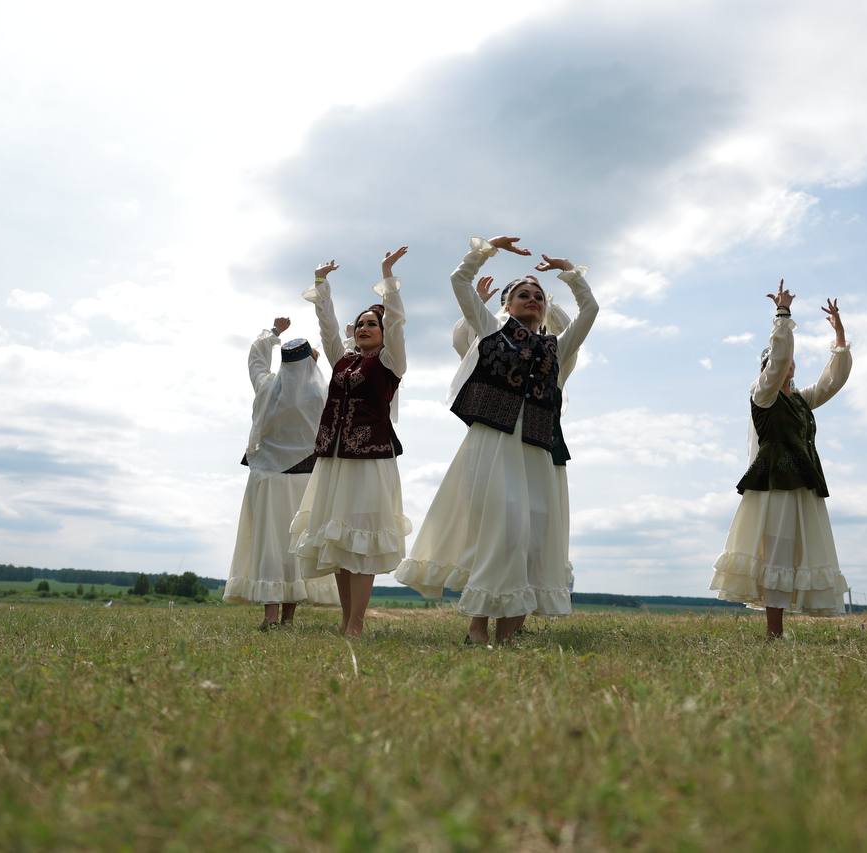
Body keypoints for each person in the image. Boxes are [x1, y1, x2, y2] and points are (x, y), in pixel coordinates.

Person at [395, 235, 598, 645]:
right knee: (503, 532)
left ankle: (506, 635)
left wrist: (570, 274)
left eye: (538, 296)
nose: (532, 300)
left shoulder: (558, 347)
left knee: (528, 539)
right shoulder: (491, 329)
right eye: (523, 295)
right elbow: (458, 281)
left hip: (537, 451)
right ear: (507, 305)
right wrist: (486, 249)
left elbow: (590, 310)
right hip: (492, 447)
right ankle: (477, 628)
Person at [710, 279, 852, 638]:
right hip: (774, 485)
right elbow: (778, 360)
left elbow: (830, 384)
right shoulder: (763, 396)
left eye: (789, 363)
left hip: (801, 485)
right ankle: (774, 634)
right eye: (774, 363)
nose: (783, 366)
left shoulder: (801, 399)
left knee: (793, 556)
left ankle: (781, 630)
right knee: (777, 555)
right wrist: (782, 316)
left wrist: (838, 339)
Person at [289, 249, 412, 637]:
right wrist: (322, 286)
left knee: (360, 548)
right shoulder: (343, 361)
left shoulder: (390, 361)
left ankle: (356, 624)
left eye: (371, 324)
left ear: (383, 329)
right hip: (334, 461)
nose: (364, 328)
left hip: (370, 461)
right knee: (340, 546)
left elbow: (396, 325)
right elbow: (327, 329)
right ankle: (346, 622)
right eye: (359, 324)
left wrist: (387, 277)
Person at [223, 319, 339, 630]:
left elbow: (256, 359)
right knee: (294, 548)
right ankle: (286, 618)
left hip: (267, 479)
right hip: (304, 479)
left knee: (269, 546)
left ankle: (271, 617)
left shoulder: (266, 387)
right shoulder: (319, 394)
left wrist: (272, 333)